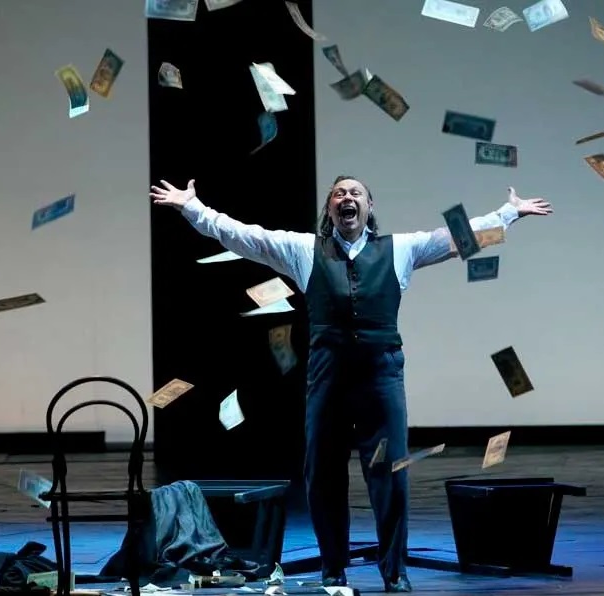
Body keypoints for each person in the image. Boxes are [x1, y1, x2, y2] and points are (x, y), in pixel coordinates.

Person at [150, 175, 553, 592]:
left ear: (369, 206)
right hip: (328, 377)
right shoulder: (304, 250)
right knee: (323, 474)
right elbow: (245, 237)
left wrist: (509, 213)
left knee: (390, 475)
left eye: (355, 193)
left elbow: (456, 238)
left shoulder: (400, 248)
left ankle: (394, 571)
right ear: (329, 209)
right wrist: (193, 208)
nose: (347, 198)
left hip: (381, 377)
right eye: (339, 193)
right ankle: (333, 569)